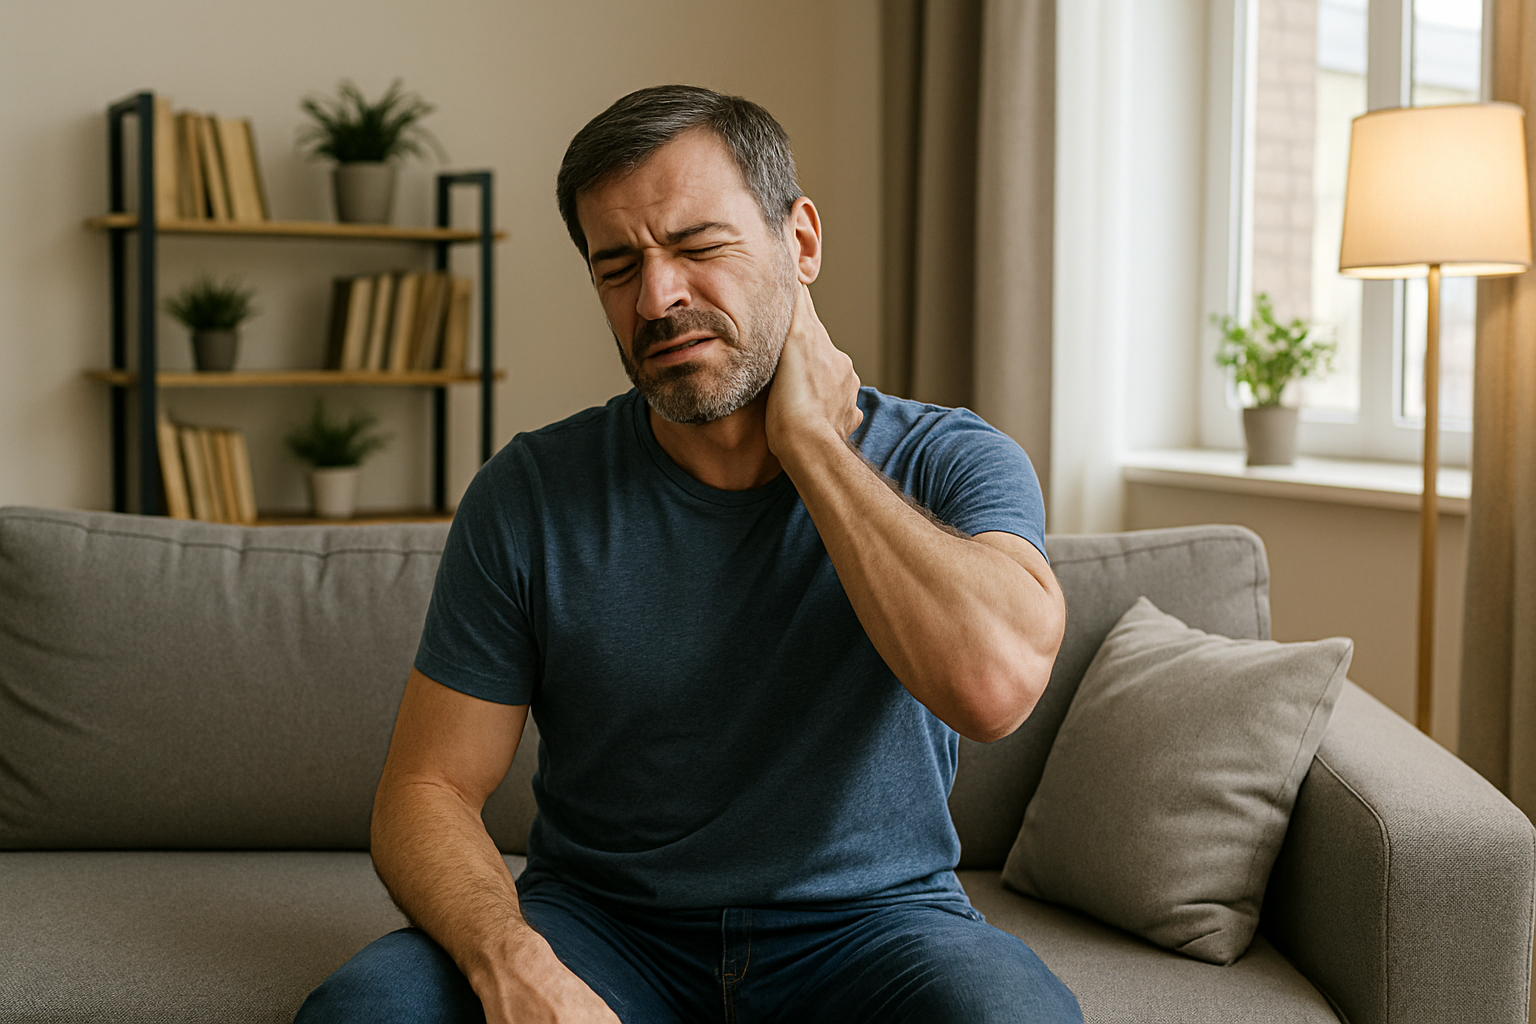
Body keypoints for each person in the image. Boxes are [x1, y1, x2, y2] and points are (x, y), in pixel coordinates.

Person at [296, 84, 1080, 1024]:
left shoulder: (953, 460)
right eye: (617, 266)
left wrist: (815, 449)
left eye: (699, 247)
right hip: (601, 927)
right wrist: (512, 960)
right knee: (365, 1013)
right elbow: (426, 789)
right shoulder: (532, 492)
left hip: (875, 930)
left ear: (801, 243)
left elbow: (993, 689)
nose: (657, 298)